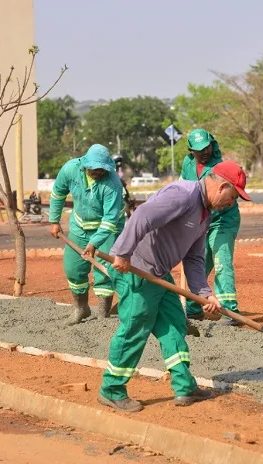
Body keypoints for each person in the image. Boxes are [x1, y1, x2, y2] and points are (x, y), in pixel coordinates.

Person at [98, 161, 252, 412]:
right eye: (232, 196)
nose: (231, 203)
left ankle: (184, 385)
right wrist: (124, 254)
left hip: (158, 274)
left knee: (174, 324)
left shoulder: (204, 215)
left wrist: (205, 295)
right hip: (136, 269)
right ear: (222, 186)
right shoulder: (184, 195)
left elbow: (194, 259)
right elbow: (142, 216)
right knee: (135, 328)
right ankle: (111, 388)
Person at [49, 144, 125, 324]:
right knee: (73, 269)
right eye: (94, 168)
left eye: (102, 169)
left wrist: (94, 243)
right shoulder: (70, 169)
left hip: (107, 230)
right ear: (85, 164)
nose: (98, 172)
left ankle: (102, 315)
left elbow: (109, 220)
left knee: (104, 272)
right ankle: (81, 308)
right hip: (79, 227)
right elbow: (58, 193)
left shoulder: (113, 183)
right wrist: (54, 221)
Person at [179, 129, 242, 325]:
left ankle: (229, 310)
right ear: (191, 151)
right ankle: (194, 308)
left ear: (212, 145)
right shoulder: (187, 164)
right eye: (199, 150)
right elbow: (184, 189)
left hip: (223, 219)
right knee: (198, 263)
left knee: (221, 259)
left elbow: (223, 197)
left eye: (206, 148)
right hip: (200, 219)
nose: (204, 153)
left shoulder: (219, 166)